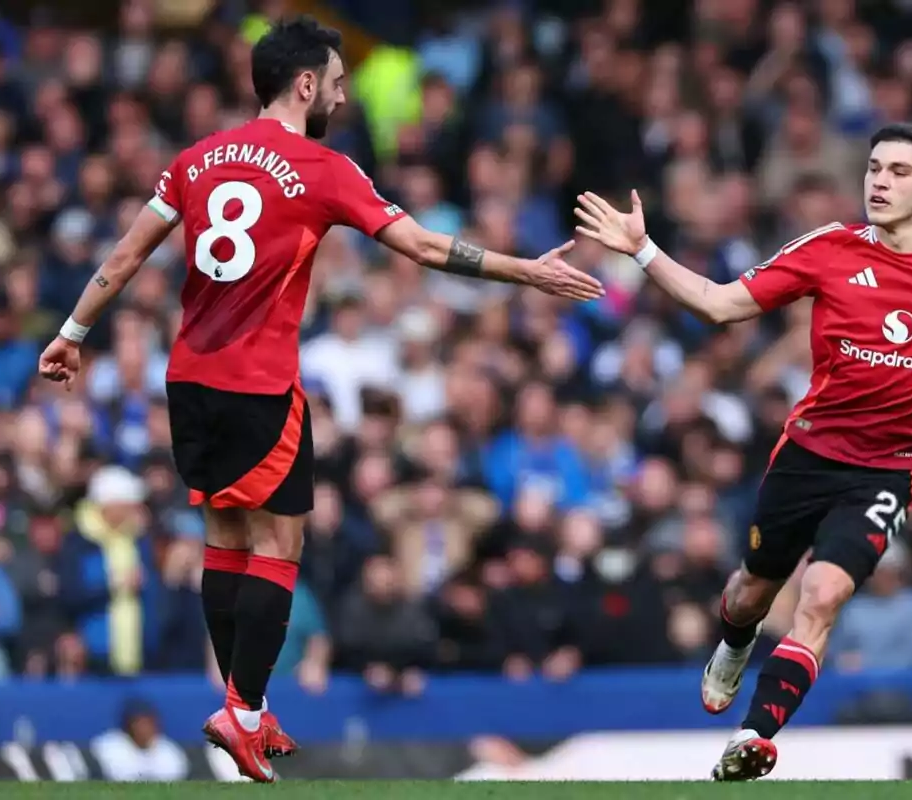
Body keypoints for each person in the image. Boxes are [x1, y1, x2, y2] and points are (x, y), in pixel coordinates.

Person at [37, 16, 602, 784]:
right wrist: (526, 272)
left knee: (224, 536)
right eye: (336, 82)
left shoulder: (195, 159)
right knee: (281, 545)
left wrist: (73, 330)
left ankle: (239, 702)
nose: (341, 94)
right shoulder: (324, 168)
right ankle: (242, 711)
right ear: (305, 84)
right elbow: (427, 248)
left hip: (188, 379)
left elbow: (129, 252)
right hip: (259, 383)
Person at [573, 122, 912, 781]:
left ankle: (755, 737)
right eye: (873, 168)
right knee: (751, 592)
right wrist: (643, 251)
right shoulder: (829, 248)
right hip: (807, 456)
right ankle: (736, 641)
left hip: (888, 470)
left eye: (896, 171)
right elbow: (722, 307)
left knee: (823, 593)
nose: (879, 182)